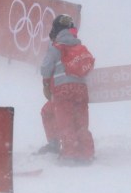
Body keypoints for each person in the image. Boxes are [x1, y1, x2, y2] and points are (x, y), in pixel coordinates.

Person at [37, 14, 95, 163]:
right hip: (81, 91)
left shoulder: (56, 47)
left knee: (66, 123)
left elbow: (45, 68)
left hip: (62, 92)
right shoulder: (80, 47)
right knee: (81, 123)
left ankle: (69, 154)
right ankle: (86, 153)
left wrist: (45, 84)